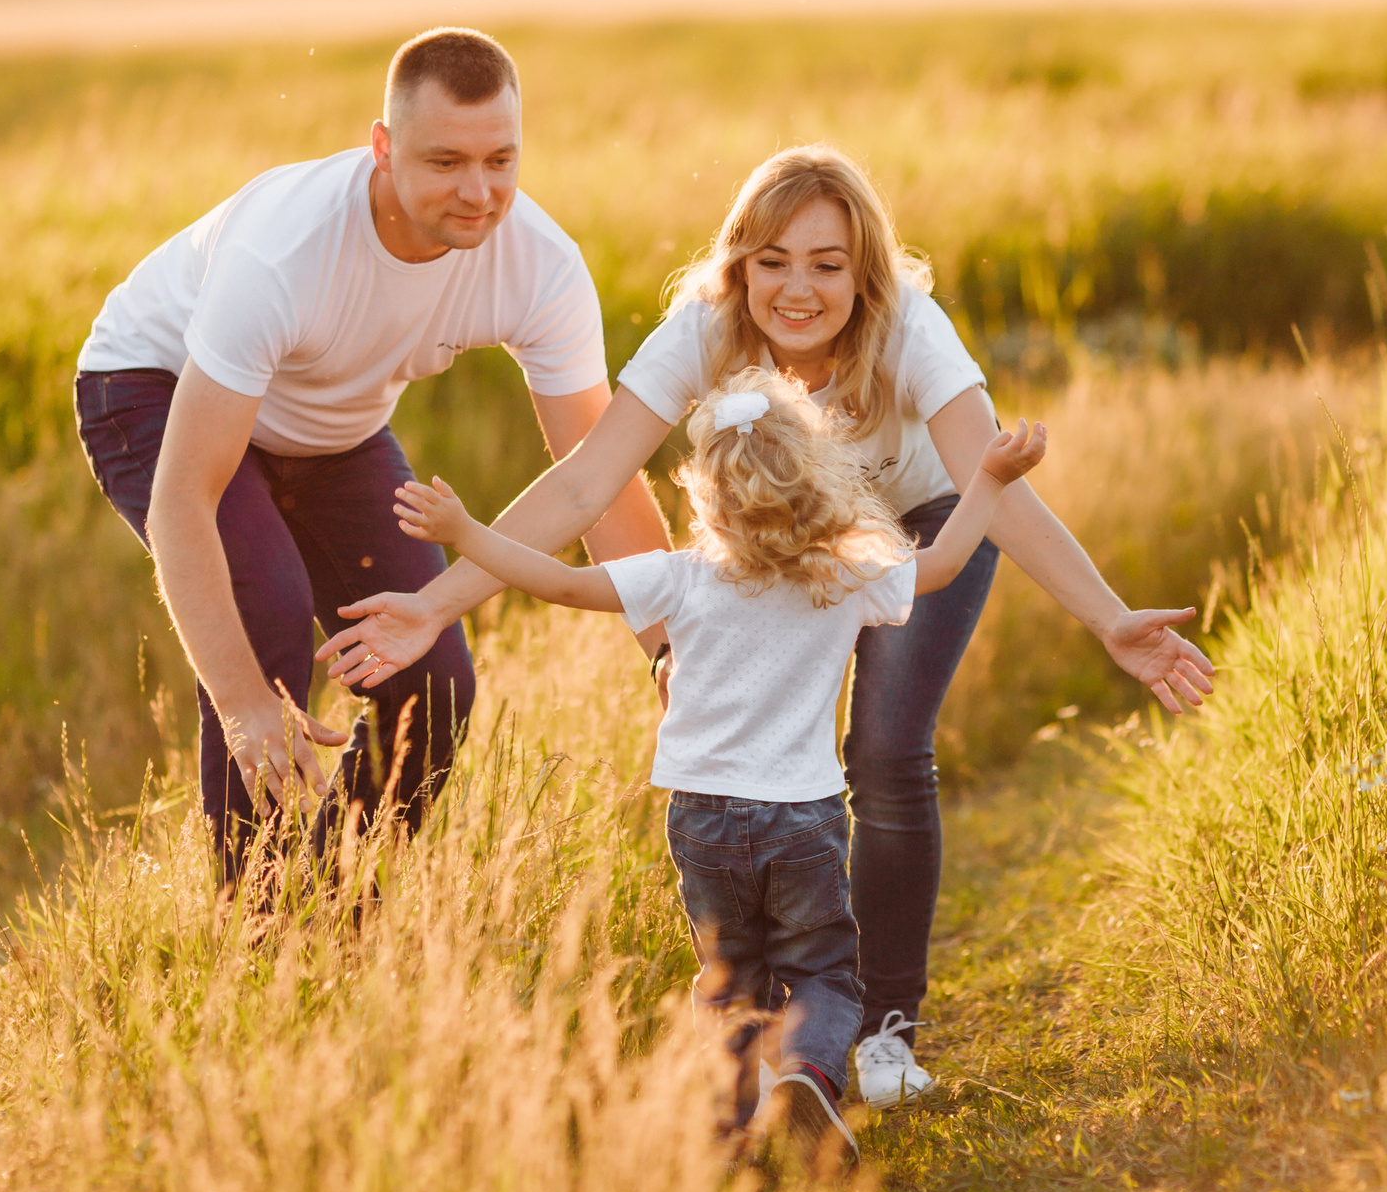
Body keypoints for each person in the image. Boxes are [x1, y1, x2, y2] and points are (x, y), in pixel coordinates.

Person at [324, 143, 1213, 1105]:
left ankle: (884, 1033)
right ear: (739, 262)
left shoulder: (913, 329)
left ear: (862, 271)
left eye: (827, 264)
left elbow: (998, 489)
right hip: (778, 541)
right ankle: (770, 1042)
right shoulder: (703, 325)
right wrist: (435, 600)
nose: (798, 289)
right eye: (774, 261)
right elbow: (587, 480)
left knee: (884, 747)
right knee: (788, 750)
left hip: (923, 527)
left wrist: (1110, 618)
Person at [390, 367, 1049, 1166]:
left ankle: (732, 1122)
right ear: (818, 479)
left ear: (704, 489)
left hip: (700, 819)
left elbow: (558, 581)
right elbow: (942, 563)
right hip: (803, 817)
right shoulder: (841, 573)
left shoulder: (679, 576)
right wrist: (986, 475)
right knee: (827, 976)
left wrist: (467, 535)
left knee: (731, 979)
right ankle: (807, 1071)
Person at [72, 26, 672, 880]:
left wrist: (673, 650)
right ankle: (256, 932)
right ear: (382, 149)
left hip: (330, 429)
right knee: (267, 612)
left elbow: (598, 474)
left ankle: (337, 913)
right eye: (446, 162)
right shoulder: (286, 251)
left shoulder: (539, 266)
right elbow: (182, 503)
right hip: (153, 386)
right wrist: (243, 706)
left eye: (501, 160)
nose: (479, 191)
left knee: (433, 676)